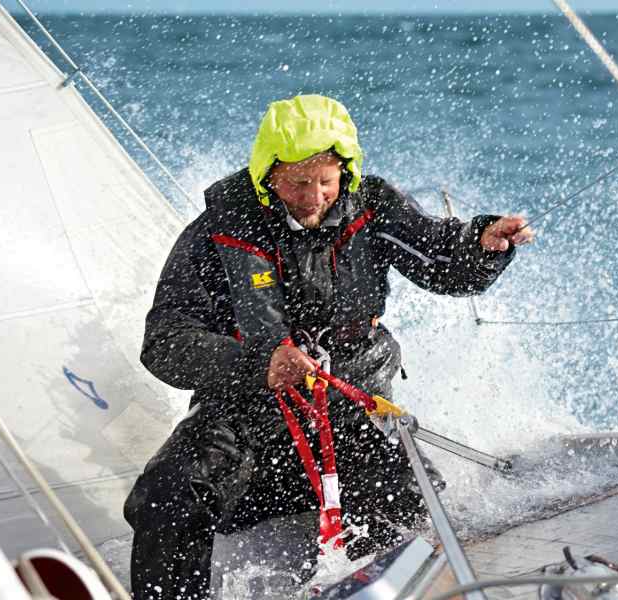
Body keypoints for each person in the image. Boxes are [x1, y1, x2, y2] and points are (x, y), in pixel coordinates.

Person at [123, 94, 533, 599]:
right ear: (268, 175)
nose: (314, 196)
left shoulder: (374, 205)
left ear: (346, 173)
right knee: (166, 495)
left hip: (348, 412)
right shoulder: (218, 230)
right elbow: (165, 341)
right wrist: (261, 362)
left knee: (414, 501)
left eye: (326, 181)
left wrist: (483, 244)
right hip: (245, 415)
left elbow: (441, 261)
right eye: (298, 182)